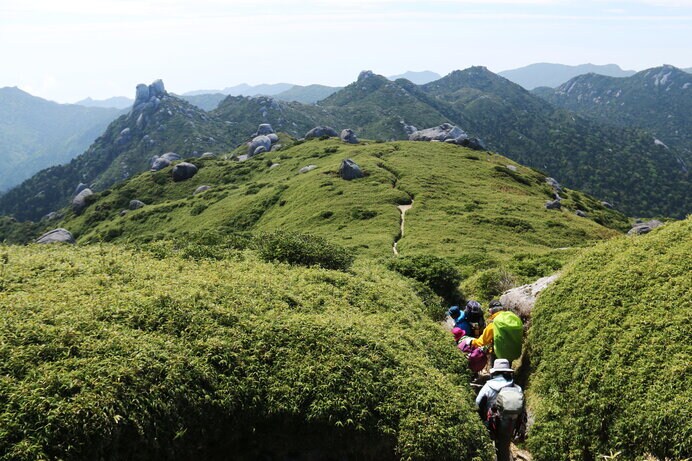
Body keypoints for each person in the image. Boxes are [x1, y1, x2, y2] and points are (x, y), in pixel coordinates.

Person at [475, 359, 523, 461]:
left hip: (492, 422)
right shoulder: (516, 387)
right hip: (512, 421)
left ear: (494, 372)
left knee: (490, 443)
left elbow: (477, 404)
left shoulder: (488, 386)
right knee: (504, 445)